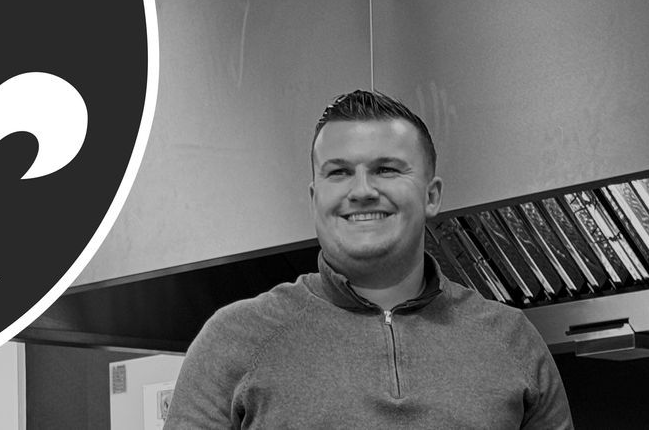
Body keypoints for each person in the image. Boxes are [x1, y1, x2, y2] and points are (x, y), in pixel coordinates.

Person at [166, 90, 573, 429]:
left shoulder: (513, 341)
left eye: (386, 170)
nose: (362, 190)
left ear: (431, 196)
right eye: (339, 173)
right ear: (314, 198)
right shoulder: (234, 340)